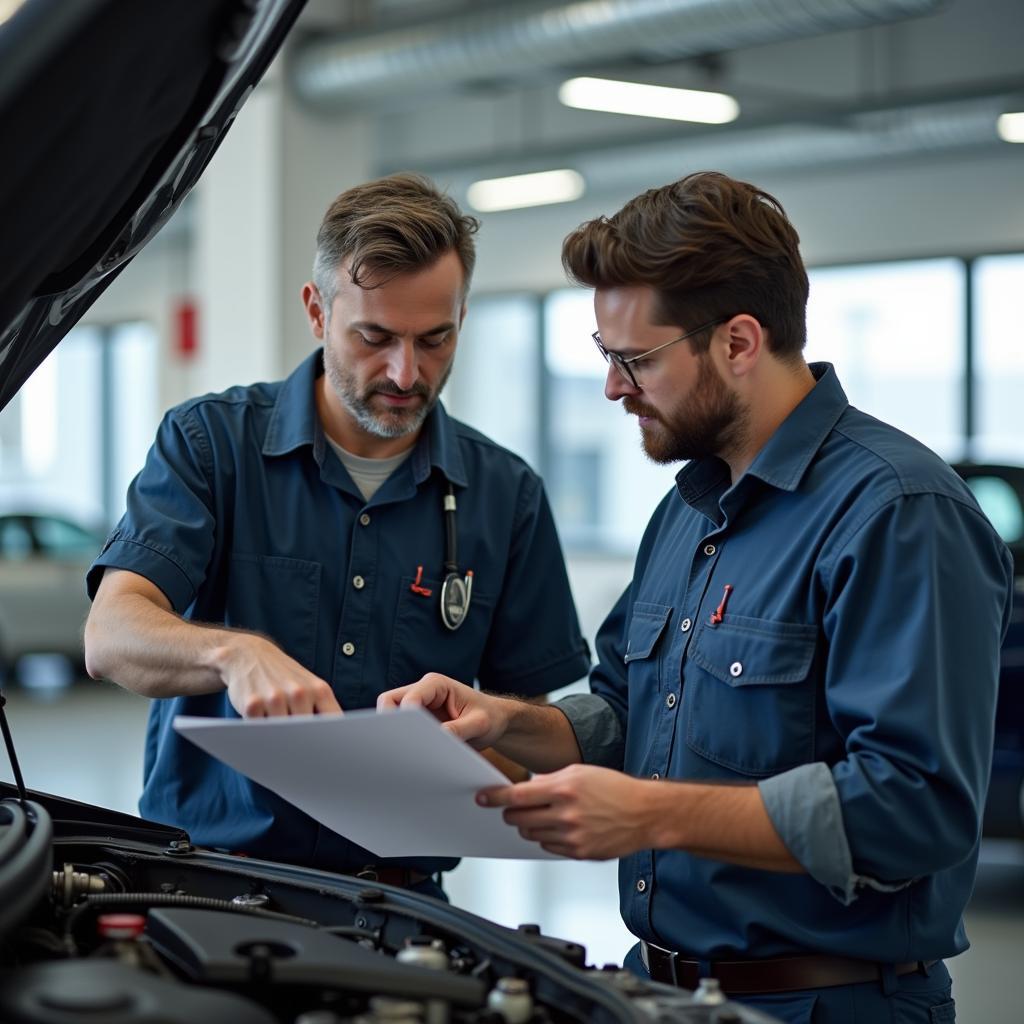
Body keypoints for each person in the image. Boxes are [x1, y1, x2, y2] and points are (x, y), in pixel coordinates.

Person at [379, 171, 1014, 1020]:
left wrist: (649, 814)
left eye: (635, 360)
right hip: (663, 993)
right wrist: (504, 720)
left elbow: (914, 810)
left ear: (739, 342)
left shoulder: (897, 515)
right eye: (605, 358)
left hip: (830, 1005)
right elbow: (625, 710)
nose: (612, 387)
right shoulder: (687, 510)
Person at [83, 173, 590, 898]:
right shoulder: (209, 446)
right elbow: (111, 635)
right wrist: (234, 653)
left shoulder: (506, 496)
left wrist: (473, 748)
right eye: (374, 337)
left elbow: (535, 737)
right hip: (209, 890)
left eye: (435, 339)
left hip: (400, 903)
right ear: (317, 311)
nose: (406, 372)